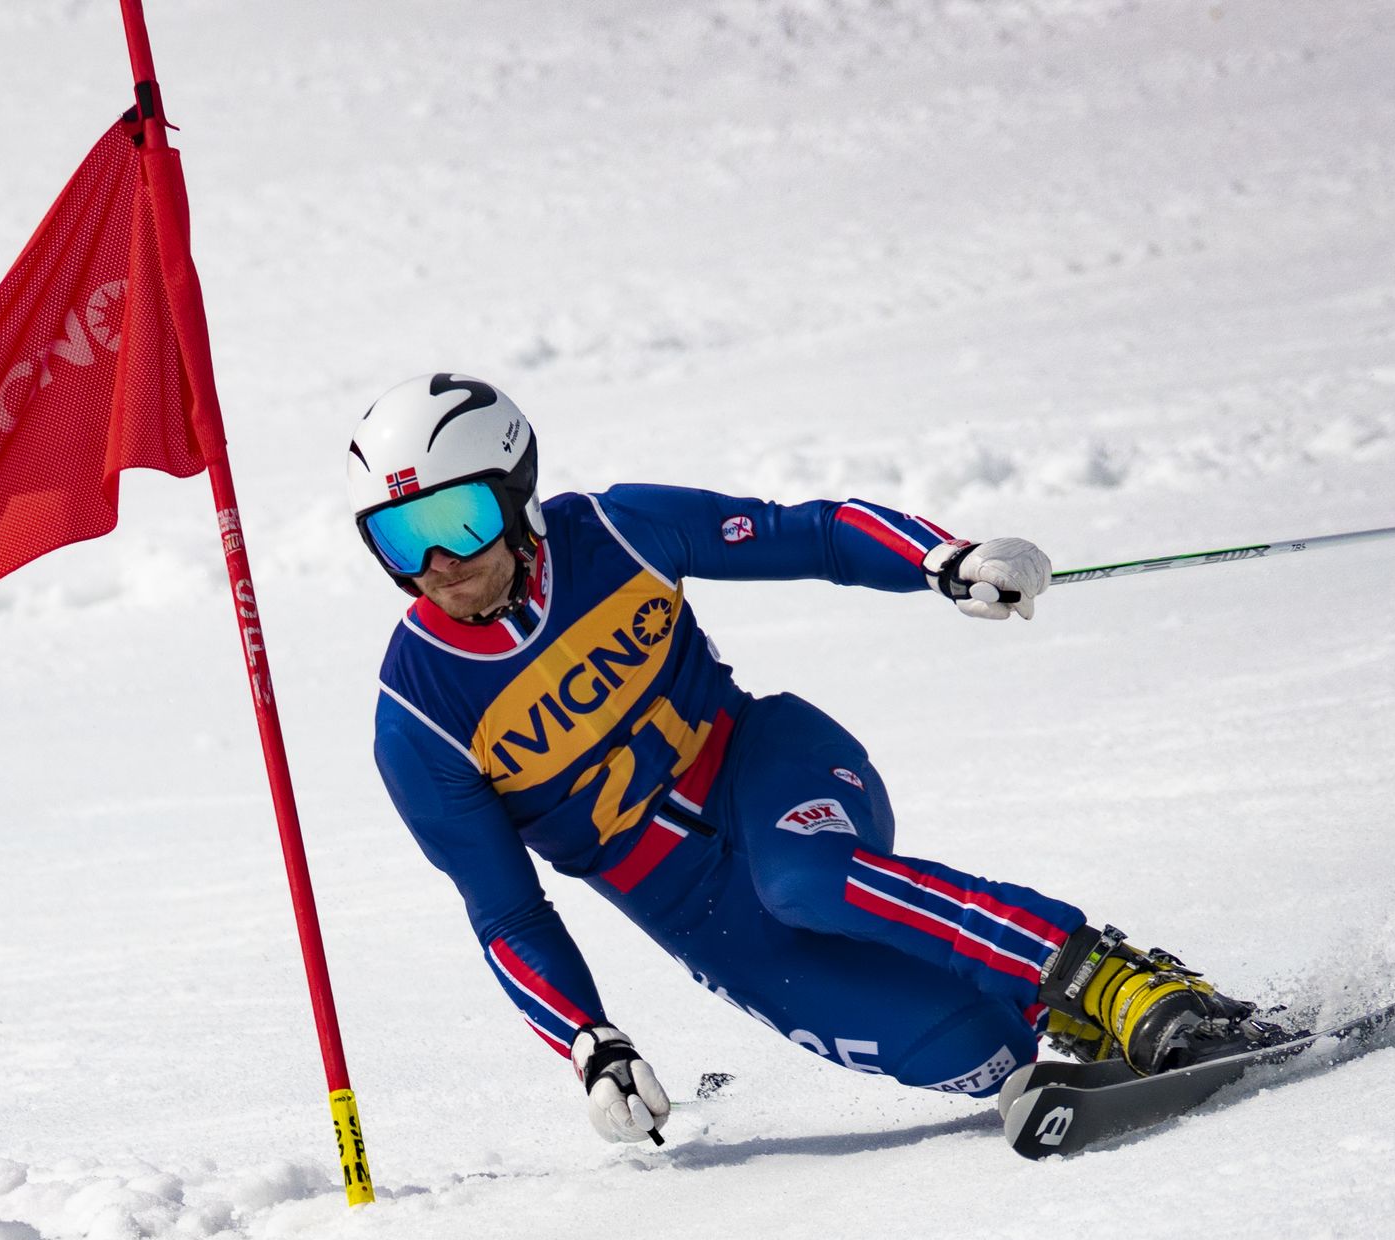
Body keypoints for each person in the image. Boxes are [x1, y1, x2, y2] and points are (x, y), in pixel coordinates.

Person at [351, 372, 1293, 1143]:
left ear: (515, 495)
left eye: (460, 521)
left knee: (806, 878)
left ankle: (1111, 979)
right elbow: (507, 913)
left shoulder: (618, 532)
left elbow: (808, 532)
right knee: (960, 1048)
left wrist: (942, 560)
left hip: (767, 767)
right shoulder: (418, 718)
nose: (438, 562)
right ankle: (1059, 1035)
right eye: (401, 538)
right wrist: (587, 1040)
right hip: (691, 908)